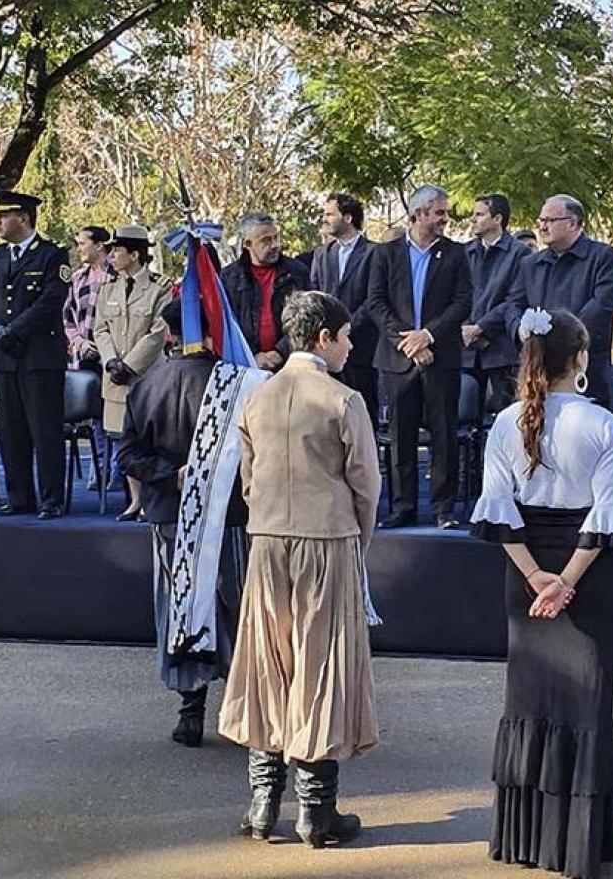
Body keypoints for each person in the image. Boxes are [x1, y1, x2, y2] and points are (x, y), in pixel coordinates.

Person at [470, 307, 613, 878]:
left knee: (532, 698)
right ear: (582, 359)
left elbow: (498, 512)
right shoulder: (603, 425)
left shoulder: (504, 422)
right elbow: (607, 513)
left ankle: (525, 836)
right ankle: (581, 840)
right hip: (585, 577)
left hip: (528, 574)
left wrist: (535, 575)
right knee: (585, 701)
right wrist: (566, 579)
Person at [218, 291, 380, 848]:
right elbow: (366, 486)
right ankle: (316, 810)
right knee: (320, 665)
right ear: (323, 338)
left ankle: (263, 804)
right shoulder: (342, 399)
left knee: (268, 664)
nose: (350, 345)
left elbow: (247, 478)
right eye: (346, 335)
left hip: (267, 541)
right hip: (327, 539)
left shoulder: (257, 399)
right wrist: (359, 539)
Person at [117, 300, 246, 746]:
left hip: (169, 514)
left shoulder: (147, 384)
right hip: (230, 516)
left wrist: (167, 476)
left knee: (180, 607)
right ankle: (243, 704)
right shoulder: (238, 384)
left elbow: (129, 456)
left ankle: (190, 708)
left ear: (169, 334)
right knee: (234, 606)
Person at [366, 184, 473, 530]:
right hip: (397, 360)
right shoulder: (385, 254)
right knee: (401, 435)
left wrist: (427, 336)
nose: (445, 219)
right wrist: (408, 342)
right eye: (439, 213)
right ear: (418, 214)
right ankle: (402, 506)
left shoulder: (456, 255)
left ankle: (444, 508)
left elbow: (462, 303)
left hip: (441, 358)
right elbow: (376, 303)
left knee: (444, 433)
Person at [0, 189, 70, 520]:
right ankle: (19, 496)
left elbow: (50, 300)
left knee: (44, 430)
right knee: (11, 430)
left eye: (4, 215)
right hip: (5, 357)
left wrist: (14, 330)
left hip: (39, 356)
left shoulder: (52, 256)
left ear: (24, 218)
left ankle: (50, 498)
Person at [506, 195, 613, 407]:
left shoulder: (603, 257)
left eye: (550, 220)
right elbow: (514, 303)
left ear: (573, 223)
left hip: (584, 368)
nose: (542, 226)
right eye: (541, 220)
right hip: (537, 368)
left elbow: (603, 304)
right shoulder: (530, 264)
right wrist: (520, 328)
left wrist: (561, 339)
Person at [93, 225, 170, 521]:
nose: (112, 255)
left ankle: (153, 498)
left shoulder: (158, 286)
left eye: (118, 250)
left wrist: (130, 365)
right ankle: (134, 500)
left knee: (151, 440)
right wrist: (111, 361)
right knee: (124, 441)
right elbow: (100, 328)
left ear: (135, 254)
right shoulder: (108, 287)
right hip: (115, 379)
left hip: (147, 376)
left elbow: (158, 331)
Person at [311, 193, 379, 428]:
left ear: (348, 217)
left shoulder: (374, 253)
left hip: (361, 349)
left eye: (330, 214)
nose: (324, 219)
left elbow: (374, 299)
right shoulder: (322, 254)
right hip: (327, 349)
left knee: (361, 414)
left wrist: (345, 328)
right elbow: (316, 294)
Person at [464, 192, 532, 414]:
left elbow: (516, 299)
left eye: (479, 214)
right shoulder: (465, 252)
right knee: (463, 415)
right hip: (466, 348)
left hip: (502, 349)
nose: (473, 219)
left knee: (506, 415)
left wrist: (481, 327)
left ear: (497, 219)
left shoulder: (520, 253)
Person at [220, 212, 311, 371]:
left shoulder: (296, 272)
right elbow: (226, 324)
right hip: (247, 366)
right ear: (247, 244)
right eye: (266, 240)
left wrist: (280, 352)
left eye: (276, 237)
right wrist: (252, 355)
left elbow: (306, 319)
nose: (275, 245)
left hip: (291, 365)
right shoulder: (229, 278)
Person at [64, 225, 115, 492]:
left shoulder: (116, 276)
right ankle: (100, 469)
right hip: (87, 357)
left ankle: (117, 468)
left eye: (83, 243)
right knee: (95, 416)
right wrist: (80, 343)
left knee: (116, 414)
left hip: (115, 356)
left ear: (100, 245)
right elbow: (67, 319)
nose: (79, 248)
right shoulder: (77, 279)